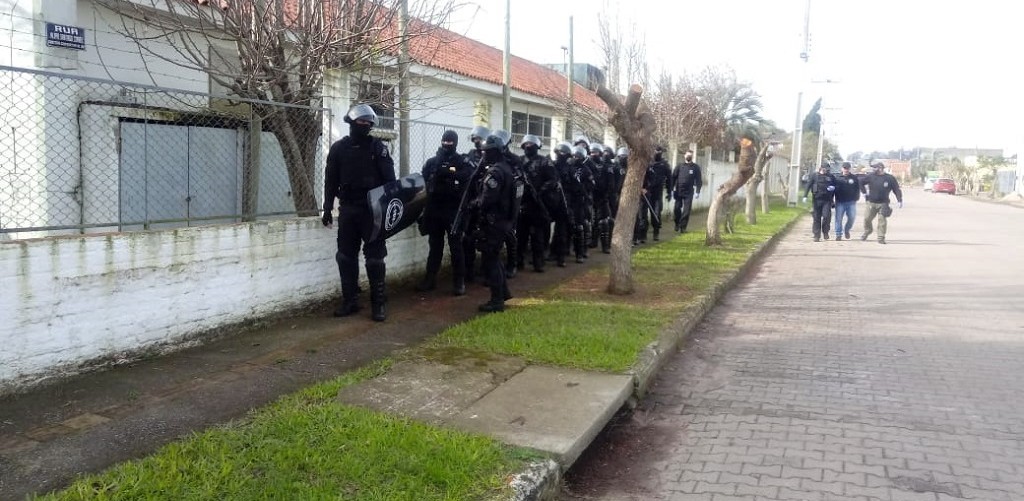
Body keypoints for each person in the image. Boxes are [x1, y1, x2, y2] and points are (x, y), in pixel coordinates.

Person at [322, 104, 396, 321]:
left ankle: (378, 305)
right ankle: (350, 302)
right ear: (351, 123)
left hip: (373, 211)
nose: (364, 125)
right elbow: (330, 180)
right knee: (345, 257)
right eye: (361, 122)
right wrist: (327, 208)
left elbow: (390, 182)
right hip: (348, 209)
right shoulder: (338, 149)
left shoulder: (378, 148)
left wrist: (388, 211)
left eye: (368, 123)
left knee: (375, 260)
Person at [415, 130, 473, 295]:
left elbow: (467, 176)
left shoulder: (461, 161)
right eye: (445, 141)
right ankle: (430, 279)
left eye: (450, 142)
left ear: (455, 143)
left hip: (453, 209)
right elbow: (424, 181)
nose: (447, 144)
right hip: (434, 209)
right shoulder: (432, 162)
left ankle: (459, 282)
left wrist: (449, 172)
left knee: (456, 247)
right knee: (435, 247)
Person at [470, 134, 518, 312]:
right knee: (494, 259)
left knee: (490, 260)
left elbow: (487, 200)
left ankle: (497, 301)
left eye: (486, 151)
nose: (483, 154)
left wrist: (474, 203)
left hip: (494, 223)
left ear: (494, 152)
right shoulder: (505, 168)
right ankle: (503, 292)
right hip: (502, 222)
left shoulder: (496, 172)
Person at [517, 134, 558, 273]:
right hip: (522, 203)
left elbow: (553, 180)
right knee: (520, 236)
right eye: (526, 145)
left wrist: (540, 191)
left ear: (537, 147)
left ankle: (538, 262)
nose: (528, 147)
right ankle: (518, 261)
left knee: (537, 237)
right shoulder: (519, 161)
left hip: (537, 204)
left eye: (531, 145)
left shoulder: (544, 162)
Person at [860, 161, 904, 244]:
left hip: (884, 203)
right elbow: (861, 182)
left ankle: (881, 237)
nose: (873, 169)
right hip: (871, 202)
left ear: (880, 168)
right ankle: (867, 231)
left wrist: (899, 200)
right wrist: (864, 193)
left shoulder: (890, 178)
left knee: (882, 221)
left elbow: (896, 189)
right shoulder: (871, 176)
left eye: (875, 167)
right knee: (867, 218)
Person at [636, 145, 671, 244]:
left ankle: (656, 232)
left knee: (656, 213)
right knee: (643, 214)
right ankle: (643, 235)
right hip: (647, 192)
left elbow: (669, 178)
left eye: (658, 152)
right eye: (655, 151)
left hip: (657, 193)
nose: (656, 153)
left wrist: (669, 191)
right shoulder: (648, 163)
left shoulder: (664, 164)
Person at [669, 149, 703, 233]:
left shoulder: (695, 167)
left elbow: (699, 180)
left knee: (686, 210)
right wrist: (672, 189)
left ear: (692, 157)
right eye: (687, 155)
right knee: (677, 209)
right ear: (684, 156)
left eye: (690, 155)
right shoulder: (679, 166)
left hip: (689, 192)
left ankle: (683, 227)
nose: (688, 156)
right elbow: (673, 178)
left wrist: (698, 191)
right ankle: (677, 223)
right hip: (678, 191)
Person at [802, 162, 837, 242]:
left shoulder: (831, 176)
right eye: (825, 169)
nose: (826, 171)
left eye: (827, 170)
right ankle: (816, 235)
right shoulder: (814, 175)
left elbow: (836, 186)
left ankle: (825, 232)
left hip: (827, 200)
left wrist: (833, 187)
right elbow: (808, 185)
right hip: (816, 199)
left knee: (826, 216)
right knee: (816, 218)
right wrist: (805, 196)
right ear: (821, 168)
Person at [832, 161, 861, 240]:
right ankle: (838, 234)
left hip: (851, 202)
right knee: (838, 219)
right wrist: (832, 200)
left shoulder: (854, 178)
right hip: (840, 202)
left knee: (852, 218)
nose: (846, 170)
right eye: (845, 168)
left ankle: (847, 229)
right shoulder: (837, 178)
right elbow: (832, 190)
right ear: (842, 168)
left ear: (849, 169)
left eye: (847, 168)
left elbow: (857, 188)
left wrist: (857, 197)